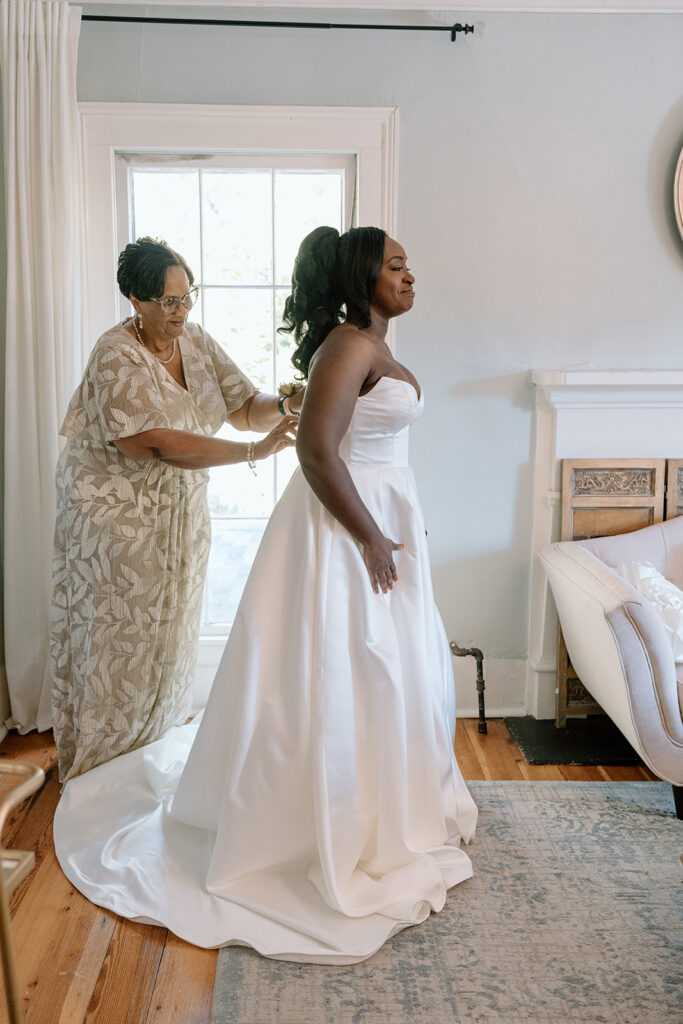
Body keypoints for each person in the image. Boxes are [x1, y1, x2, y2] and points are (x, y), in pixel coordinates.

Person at [53, 226, 478, 965]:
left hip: (332, 509)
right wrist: (370, 533)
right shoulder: (340, 345)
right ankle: (292, 814)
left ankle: (375, 802)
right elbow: (296, 448)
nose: (411, 276)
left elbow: (253, 404)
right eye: (396, 266)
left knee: (366, 664)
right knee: (313, 663)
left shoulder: (322, 347)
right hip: (142, 514)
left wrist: (279, 412)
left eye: (188, 298)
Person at [50, 236, 300, 782]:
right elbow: (153, 443)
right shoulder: (114, 353)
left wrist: (288, 403)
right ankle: (101, 769)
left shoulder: (196, 340)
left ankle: (150, 754)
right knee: (120, 643)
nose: (181, 311)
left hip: (179, 513)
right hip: (114, 520)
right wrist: (254, 452)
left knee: (170, 634)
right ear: (135, 300)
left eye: (188, 297)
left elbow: (242, 406)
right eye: (168, 302)